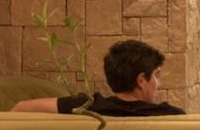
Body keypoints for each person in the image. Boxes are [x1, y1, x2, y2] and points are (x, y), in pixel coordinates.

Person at [12, 39, 185, 116]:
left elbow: (20, 108)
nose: (158, 83)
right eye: (156, 75)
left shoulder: (87, 107)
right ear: (141, 80)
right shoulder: (170, 115)